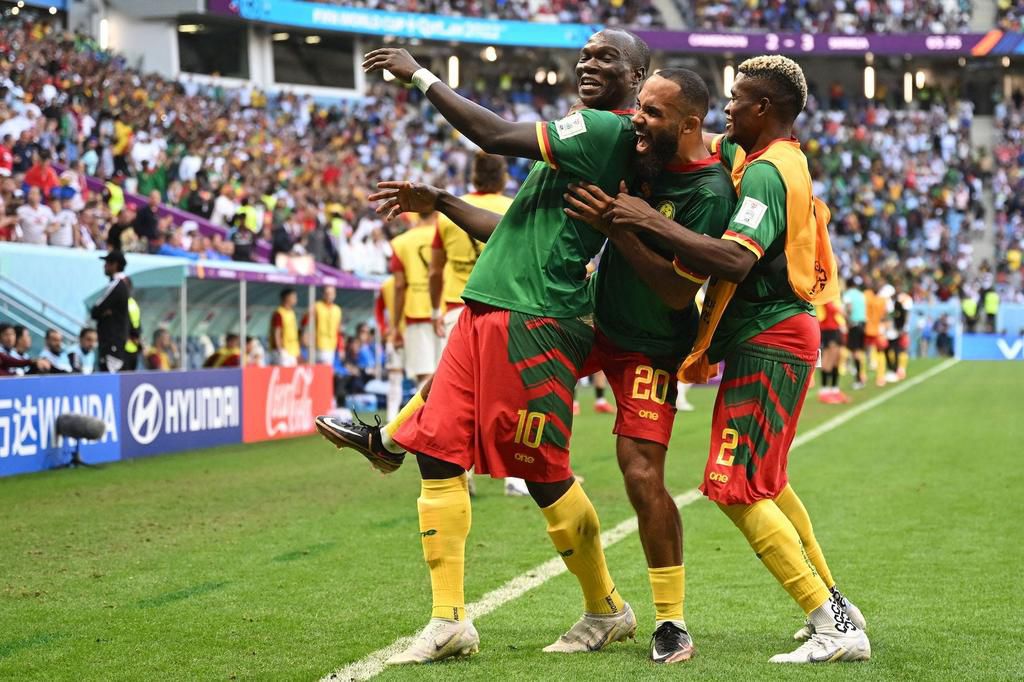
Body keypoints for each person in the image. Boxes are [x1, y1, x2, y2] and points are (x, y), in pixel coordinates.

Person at [318, 31, 649, 664]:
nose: (587, 64)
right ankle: (448, 620)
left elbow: (494, 136)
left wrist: (420, 75)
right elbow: (513, 229)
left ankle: (606, 607)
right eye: (584, 55)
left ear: (637, 76)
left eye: (605, 57)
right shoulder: (584, 145)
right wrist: (441, 201)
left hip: (539, 317)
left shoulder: (606, 130)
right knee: (439, 452)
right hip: (490, 305)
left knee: (541, 470)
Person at [596, 55, 870, 663]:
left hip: (768, 340)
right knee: (769, 482)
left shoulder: (770, 173)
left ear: (763, 109)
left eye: (738, 99)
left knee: (733, 487)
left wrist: (645, 220)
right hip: (771, 336)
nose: (728, 108)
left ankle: (834, 627)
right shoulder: (759, 157)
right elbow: (690, 136)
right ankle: (834, 604)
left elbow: (736, 260)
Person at [563, 67, 738, 662]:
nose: (639, 119)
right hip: (593, 322)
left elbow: (671, 291)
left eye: (653, 112)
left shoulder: (709, 194)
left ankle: (671, 622)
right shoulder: (646, 158)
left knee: (640, 476)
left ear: (690, 125)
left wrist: (622, 224)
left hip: (652, 344)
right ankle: (399, 433)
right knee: (499, 357)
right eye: (640, 106)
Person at [428, 152, 525, 497]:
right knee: (509, 397)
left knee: (455, 398)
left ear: (473, 176)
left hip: (457, 305)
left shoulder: (449, 209)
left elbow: (436, 269)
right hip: (505, 307)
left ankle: (459, 470)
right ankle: (515, 476)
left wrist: (434, 308)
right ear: (501, 177)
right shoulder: (515, 205)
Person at [390, 211, 441, 388]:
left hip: (416, 312)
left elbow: (399, 286)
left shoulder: (401, 242)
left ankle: (427, 415)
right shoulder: (446, 233)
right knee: (449, 373)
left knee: (424, 375)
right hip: (446, 311)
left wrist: (395, 326)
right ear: (437, 213)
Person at [91, 252, 131, 372]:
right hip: (114, 340)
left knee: (110, 376)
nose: (104, 266)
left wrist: (101, 312)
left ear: (115, 265)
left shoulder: (117, 284)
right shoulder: (123, 283)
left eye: (107, 263)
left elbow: (96, 310)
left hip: (112, 341)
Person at [816, 296, 849, 403]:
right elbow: (830, 307)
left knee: (836, 359)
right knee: (828, 360)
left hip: (835, 328)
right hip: (827, 330)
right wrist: (841, 310)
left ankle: (834, 390)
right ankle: (824, 391)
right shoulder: (824, 294)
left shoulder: (832, 295)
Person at [304, 285, 343, 366]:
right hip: (316, 345)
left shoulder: (337, 310)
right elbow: (305, 323)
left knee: (326, 372)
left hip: (331, 346)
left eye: (331, 293)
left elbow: (338, 331)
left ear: (335, 295)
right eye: (327, 293)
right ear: (323, 294)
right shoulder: (316, 306)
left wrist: (340, 348)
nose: (329, 296)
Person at [842, 278, 867, 389]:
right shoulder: (861, 294)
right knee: (860, 351)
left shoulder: (848, 294)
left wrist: (847, 319)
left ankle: (859, 379)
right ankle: (861, 374)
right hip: (863, 323)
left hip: (854, 324)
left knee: (855, 351)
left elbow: (849, 308)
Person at [269, 288, 300, 366]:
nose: (296, 300)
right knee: (284, 375)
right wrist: (280, 350)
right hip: (283, 351)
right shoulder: (279, 313)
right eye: (293, 297)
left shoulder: (291, 312)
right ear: (287, 298)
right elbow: (277, 332)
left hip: (292, 350)